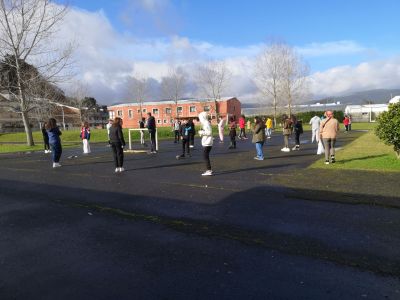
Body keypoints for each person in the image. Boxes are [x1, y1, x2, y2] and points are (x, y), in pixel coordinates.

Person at [198, 111, 213, 176]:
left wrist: (202, 133)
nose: (200, 119)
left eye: (200, 117)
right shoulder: (205, 123)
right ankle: (209, 170)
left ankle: (209, 170)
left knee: (205, 156)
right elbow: (207, 132)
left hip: (208, 143)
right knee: (205, 156)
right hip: (207, 142)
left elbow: (209, 132)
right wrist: (202, 132)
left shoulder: (206, 123)